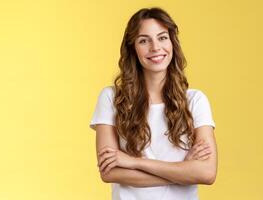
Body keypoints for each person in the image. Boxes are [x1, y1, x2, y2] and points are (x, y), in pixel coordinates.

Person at [89, 7, 217, 200]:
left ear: (172, 42)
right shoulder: (112, 98)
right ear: (133, 48)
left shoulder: (195, 101)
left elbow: (207, 173)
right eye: (144, 40)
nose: (155, 47)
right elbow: (109, 172)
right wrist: (183, 172)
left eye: (162, 37)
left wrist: (133, 162)